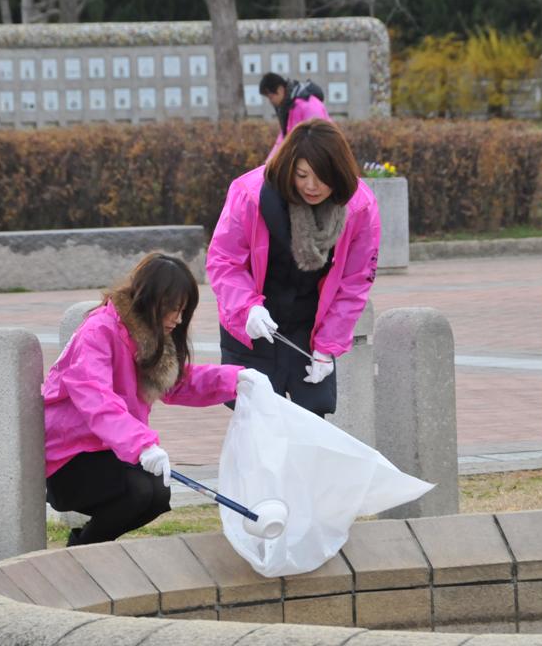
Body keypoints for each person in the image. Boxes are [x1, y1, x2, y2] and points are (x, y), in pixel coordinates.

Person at [43, 253, 257, 546]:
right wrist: (141, 444)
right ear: (150, 299)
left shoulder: (148, 337)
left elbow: (177, 382)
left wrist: (236, 380)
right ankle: (78, 555)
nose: (178, 319)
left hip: (109, 450)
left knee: (158, 494)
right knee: (141, 491)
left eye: (183, 310)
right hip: (67, 457)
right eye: (173, 309)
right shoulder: (99, 330)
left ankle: (86, 550)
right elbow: (96, 397)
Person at [207, 119, 381, 418]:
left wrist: (328, 346)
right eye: (302, 175)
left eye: (323, 178)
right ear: (290, 169)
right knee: (256, 420)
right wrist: (247, 308)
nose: (312, 187)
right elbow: (224, 260)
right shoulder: (250, 194)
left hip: (310, 326)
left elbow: (355, 283)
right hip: (254, 324)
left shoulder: (359, 208)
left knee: (312, 416)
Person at [259, 72, 331, 161]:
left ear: (280, 89)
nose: (270, 102)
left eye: (271, 97)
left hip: (318, 160)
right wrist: (269, 162)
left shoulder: (305, 104)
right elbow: (285, 136)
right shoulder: (289, 106)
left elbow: (318, 137)